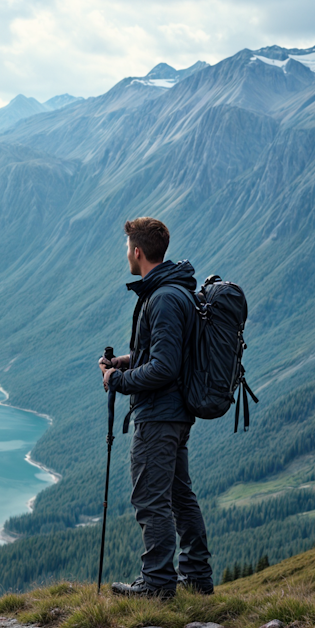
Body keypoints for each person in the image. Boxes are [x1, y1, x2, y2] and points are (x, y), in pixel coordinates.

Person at [97, 217, 213, 599]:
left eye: (126, 249)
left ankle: (158, 585)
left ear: (137, 252)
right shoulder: (175, 290)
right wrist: (126, 362)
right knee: (179, 497)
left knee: (150, 499)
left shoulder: (161, 298)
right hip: (177, 415)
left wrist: (117, 381)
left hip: (159, 417)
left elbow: (164, 368)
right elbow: (163, 355)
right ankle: (195, 575)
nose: (126, 256)